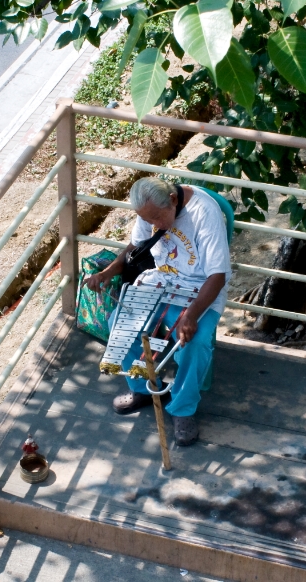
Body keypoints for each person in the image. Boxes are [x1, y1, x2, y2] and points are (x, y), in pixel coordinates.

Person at [85, 177, 231, 446]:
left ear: (173, 201)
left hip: (200, 290)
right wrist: (107, 272)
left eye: (157, 219)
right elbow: (135, 248)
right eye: (148, 220)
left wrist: (192, 314)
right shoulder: (151, 209)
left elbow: (218, 276)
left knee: (195, 343)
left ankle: (183, 409)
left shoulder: (205, 214)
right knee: (117, 322)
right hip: (160, 281)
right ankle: (143, 389)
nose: (153, 225)